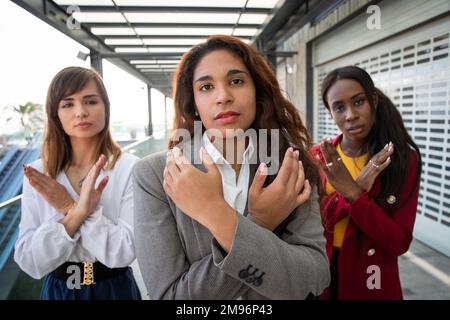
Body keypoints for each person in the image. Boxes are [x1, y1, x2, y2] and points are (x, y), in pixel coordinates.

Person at [133, 35, 330, 300]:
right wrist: (260, 224)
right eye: (206, 87)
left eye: (236, 81)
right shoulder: (155, 175)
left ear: (257, 91)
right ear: (192, 102)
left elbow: (313, 278)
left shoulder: (290, 164)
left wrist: (219, 217)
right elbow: (171, 297)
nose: (223, 97)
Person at [14, 66, 142, 300]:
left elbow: (124, 251)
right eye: (68, 104)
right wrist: (76, 212)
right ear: (55, 114)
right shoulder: (38, 172)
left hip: (114, 288)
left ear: (106, 109)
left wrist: (67, 206)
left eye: (91, 101)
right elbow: (29, 260)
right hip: (58, 291)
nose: (81, 112)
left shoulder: (130, 168)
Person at [310, 65, 422, 300]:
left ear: (374, 101)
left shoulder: (401, 159)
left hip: (372, 278)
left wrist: (355, 194)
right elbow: (315, 223)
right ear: (330, 113)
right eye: (339, 107)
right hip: (322, 271)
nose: (350, 115)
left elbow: (398, 242)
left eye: (358, 101)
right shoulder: (318, 157)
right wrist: (353, 191)